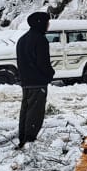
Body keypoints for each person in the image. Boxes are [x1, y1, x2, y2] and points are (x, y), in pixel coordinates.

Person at [16, 11, 55, 149]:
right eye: (47, 23)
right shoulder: (40, 40)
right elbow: (43, 63)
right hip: (38, 81)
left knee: (25, 110)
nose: (48, 25)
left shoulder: (22, 39)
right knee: (35, 111)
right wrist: (50, 74)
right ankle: (29, 139)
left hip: (25, 81)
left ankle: (22, 137)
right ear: (41, 23)